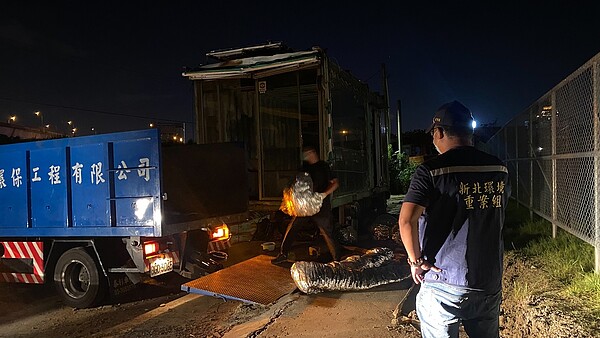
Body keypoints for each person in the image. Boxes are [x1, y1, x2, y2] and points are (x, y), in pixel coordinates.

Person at [398, 100, 511, 338]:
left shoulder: (430, 171)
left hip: (444, 279)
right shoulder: (499, 169)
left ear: (439, 133)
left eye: (433, 134)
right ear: (470, 132)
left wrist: (415, 261)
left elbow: (406, 221)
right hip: (488, 279)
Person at [272, 146, 342, 264]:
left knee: (327, 232)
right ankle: (283, 254)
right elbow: (296, 184)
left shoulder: (324, 166)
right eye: (305, 154)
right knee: (292, 228)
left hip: (320, 205)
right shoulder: (305, 168)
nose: (307, 156)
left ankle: (337, 260)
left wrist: (324, 195)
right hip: (305, 206)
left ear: (314, 153)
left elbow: (335, 183)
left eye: (308, 153)